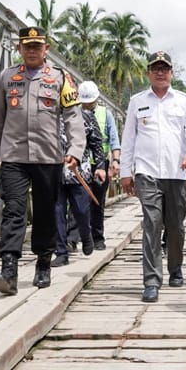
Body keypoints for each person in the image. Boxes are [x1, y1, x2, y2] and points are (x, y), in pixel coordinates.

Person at [0, 26, 85, 295]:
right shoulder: (7, 78)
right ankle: (9, 269)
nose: (32, 50)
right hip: (13, 155)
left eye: (37, 46)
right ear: (19, 48)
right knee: (13, 210)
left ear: (46, 49)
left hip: (48, 156)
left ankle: (43, 263)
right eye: (27, 46)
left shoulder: (60, 79)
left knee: (46, 212)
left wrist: (75, 150)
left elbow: (73, 117)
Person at [120, 50, 186, 303]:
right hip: (147, 172)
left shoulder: (183, 101)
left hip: (176, 172)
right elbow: (129, 139)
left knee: (175, 226)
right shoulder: (137, 101)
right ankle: (152, 280)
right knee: (152, 224)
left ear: (171, 73)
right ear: (148, 73)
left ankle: (175, 267)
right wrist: (125, 172)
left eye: (164, 68)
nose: (160, 72)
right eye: (155, 68)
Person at [52, 104, 107, 267]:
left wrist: (100, 167)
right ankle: (61, 252)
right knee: (57, 212)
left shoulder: (86, 116)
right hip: (54, 173)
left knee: (81, 210)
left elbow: (96, 143)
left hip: (79, 173)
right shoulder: (48, 115)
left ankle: (85, 234)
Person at [78, 80, 121, 250]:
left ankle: (97, 237)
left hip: (100, 164)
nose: (88, 106)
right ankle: (74, 238)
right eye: (85, 103)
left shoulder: (105, 114)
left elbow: (114, 139)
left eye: (90, 103)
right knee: (78, 201)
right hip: (80, 164)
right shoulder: (73, 113)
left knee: (98, 202)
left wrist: (115, 161)